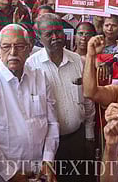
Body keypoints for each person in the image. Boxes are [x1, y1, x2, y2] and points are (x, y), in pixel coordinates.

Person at [0, 24, 58, 182]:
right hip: (2, 176)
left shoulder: (40, 77)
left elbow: (52, 123)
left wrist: (48, 161)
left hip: (38, 172)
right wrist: (10, 174)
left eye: (19, 46)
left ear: (29, 48)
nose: (13, 52)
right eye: (6, 46)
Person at [27, 14, 95, 181]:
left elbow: (87, 100)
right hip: (46, 147)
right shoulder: (30, 66)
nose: (55, 37)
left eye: (58, 32)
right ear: (39, 37)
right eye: (49, 34)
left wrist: (89, 133)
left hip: (76, 139)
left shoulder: (78, 60)